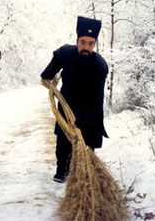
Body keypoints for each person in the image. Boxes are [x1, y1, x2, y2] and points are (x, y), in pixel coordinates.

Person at [41, 16, 109, 183]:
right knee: (63, 139)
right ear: (77, 40)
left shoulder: (100, 66)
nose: (86, 47)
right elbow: (46, 76)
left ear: (95, 44)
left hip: (90, 105)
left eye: (90, 43)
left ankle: (86, 168)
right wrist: (51, 84)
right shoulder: (65, 53)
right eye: (83, 42)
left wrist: (83, 121)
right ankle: (61, 170)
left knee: (87, 139)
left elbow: (97, 100)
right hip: (67, 103)